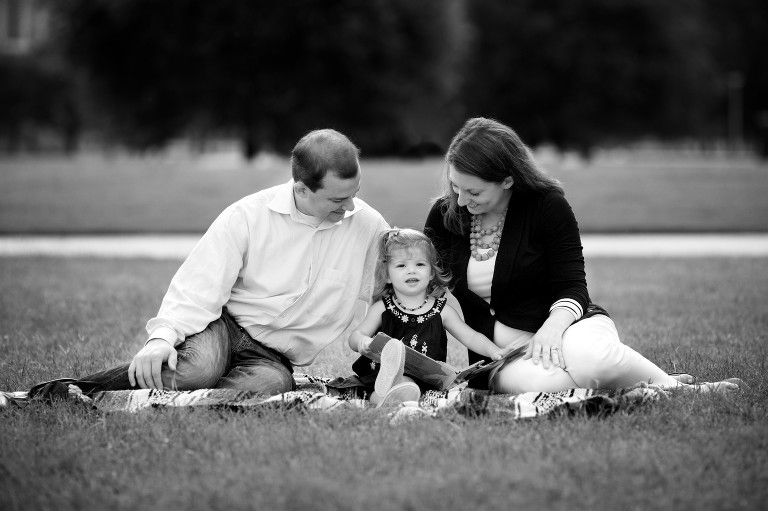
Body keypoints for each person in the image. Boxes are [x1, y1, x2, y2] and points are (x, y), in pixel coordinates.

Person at [46, 128, 389, 397]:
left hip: (271, 357)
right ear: (301, 189)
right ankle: (66, 392)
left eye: (355, 193)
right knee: (198, 370)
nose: (349, 207)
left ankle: (181, 401)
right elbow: (197, 285)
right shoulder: (247, 217)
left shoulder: (369, 226)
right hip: (223, 326)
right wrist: (162, 338)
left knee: (268, 388)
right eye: (338, 199)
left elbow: (397, 291)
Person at [424, 117, 743, 394]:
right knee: (549, 384)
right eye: (456, 187)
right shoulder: (444, 215)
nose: (462, 201)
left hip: (568, 325)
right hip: (499, 356)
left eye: (474, 192)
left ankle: (675, 388)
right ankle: (632, 381)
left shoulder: (548, 207)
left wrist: (552, 329)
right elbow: (426, 296)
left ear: (508, 179)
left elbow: (572, 286)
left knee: (593, 360)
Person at [348, 228, 506, 406]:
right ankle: (389, 396)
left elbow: (471, 336)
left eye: (420, 264)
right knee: (386, 388)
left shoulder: (442, 311)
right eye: (401, 266)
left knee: (413, 387)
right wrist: (363, 342)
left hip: (426, 381)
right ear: (387, 275)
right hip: (381, 375)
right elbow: (355, 336)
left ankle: (397, 398)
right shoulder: (382, 308)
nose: (411, 271)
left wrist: (494, 351)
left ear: (432, 272)